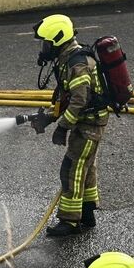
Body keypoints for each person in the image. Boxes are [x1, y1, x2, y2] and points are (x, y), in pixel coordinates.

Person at [32, 14, 108, 236]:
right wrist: (49, 117)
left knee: (72, 169)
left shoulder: (77, 64)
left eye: (45, 43)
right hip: (86, 122)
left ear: (57, 40)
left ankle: (70, 221)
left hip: (89, 125)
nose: (43, 48)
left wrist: (63, 127)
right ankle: (87, 212)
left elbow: (80, 100)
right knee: (86, 165)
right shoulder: (68, 59)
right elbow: (67, 98)